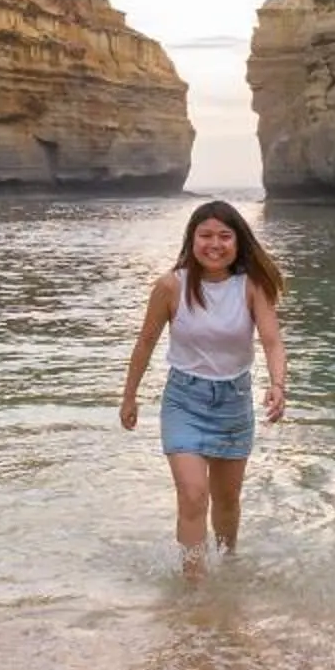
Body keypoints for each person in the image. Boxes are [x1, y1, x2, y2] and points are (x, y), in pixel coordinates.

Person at [118, 200, 287, 577]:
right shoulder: (170, 286)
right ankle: (194, 585)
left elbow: (272, 341)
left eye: (224, 236)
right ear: (191, 240)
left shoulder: (252, 287)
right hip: (184, 400)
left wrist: (278, 385)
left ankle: (227, 566)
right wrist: (129, 396)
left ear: (238, 242)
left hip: (234, 402)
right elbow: (145, 342)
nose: (215, 244)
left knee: (227, 502)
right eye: (206, 235)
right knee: (193, 494)